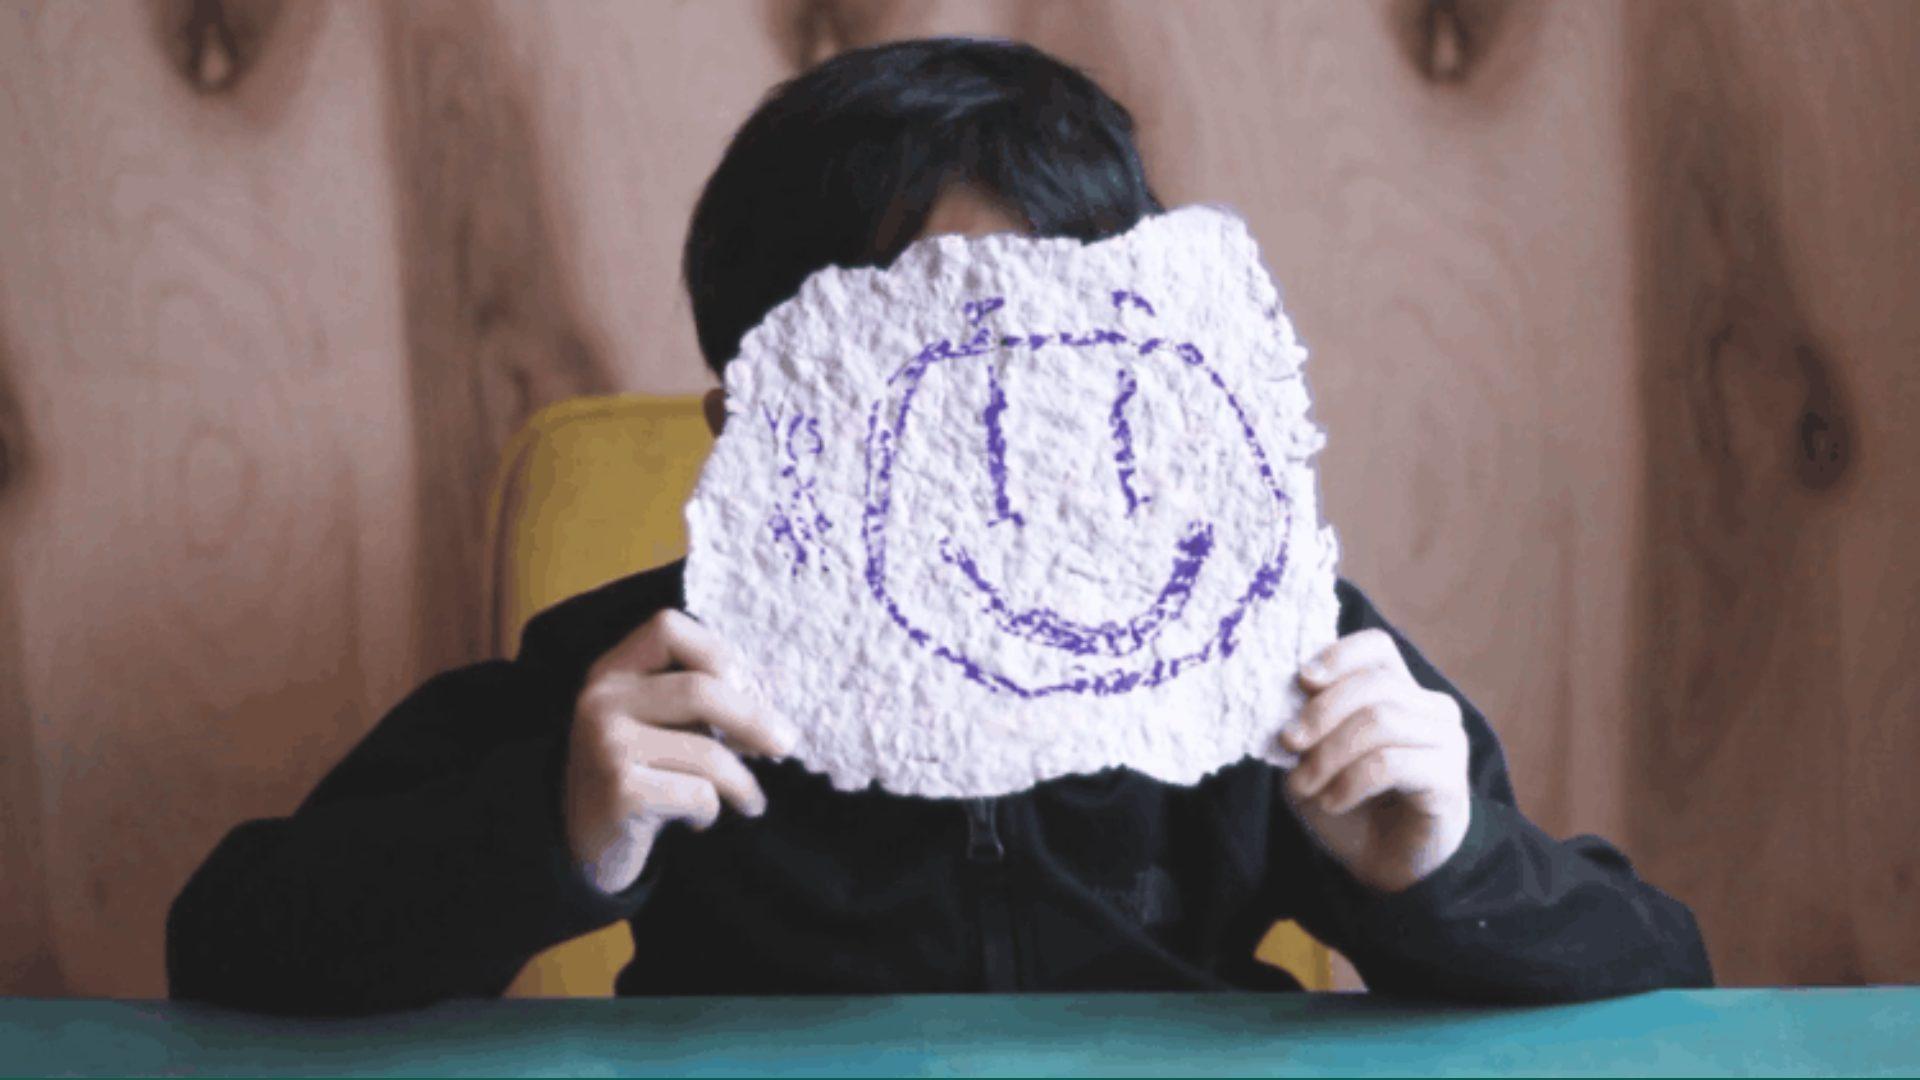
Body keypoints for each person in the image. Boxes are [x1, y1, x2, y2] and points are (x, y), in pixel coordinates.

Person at [167, 37, 1712, 1016]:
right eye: (918, 360)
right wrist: (556, 835)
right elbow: (229, 944)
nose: (993, 442)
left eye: (1051, 358)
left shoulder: (1277, 668)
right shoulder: (645, 676)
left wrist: (1440, 870)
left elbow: (1661, 974)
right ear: (757, 426)